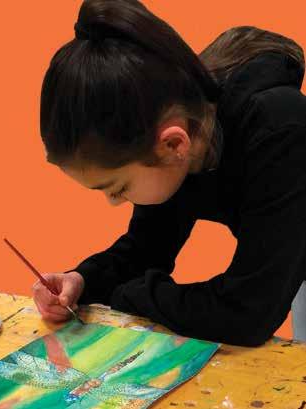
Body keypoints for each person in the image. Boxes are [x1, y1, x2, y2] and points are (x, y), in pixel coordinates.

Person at [34, 0, 306, 347]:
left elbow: (247, 312)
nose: (114, 202)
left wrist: (129, 295)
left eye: (118, 187)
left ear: (174, 144)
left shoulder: (281, 131)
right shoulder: (179, 128)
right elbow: (145, 249)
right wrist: (83, 281)